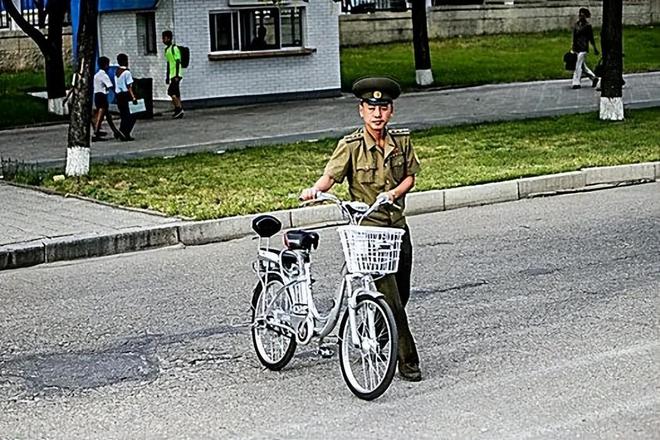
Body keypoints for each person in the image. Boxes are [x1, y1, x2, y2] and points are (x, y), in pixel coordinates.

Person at [300, 77, 423, 382]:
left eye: (383, 108)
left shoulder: (402, 142)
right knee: (393, 300)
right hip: (370, 234)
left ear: (391, 111)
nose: (377, 114)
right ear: (361, 110)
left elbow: (410, 177)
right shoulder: (351, 146)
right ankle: (407, 360)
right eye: (371, 107)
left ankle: (381, 335)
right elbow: (330, 177)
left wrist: (394, 193)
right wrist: (315, 190)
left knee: (402, 294)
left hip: (398, 229)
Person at [92, 56, 122, 141]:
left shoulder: (96, 74)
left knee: (108, 116)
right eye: (107, 65)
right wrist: (117, 93)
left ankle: (115, 131)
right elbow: (110, 86)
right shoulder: (104, 75)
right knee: (101, 116)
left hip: (97, 95)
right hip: (102, 96)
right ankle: (96, 132)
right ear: (105, 65)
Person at [571, 8, 599, 89]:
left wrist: (594, 48)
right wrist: (572, 47)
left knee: (578, 65)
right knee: (583, 66)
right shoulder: (576, 24)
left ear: (585, 16)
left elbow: (591, 38)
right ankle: (594, 78)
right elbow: (574, 37)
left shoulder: (588, 26)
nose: (580, 16)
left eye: (582, 15)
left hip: (583, 48)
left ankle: (576, 82)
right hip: (576, 47)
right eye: (580, 14)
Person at [114, 53, 138, 141]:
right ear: (125, 61)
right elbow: (129, 86)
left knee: (123, 114)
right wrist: (133, 97)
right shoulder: (127, 72)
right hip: (126, 95)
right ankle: (125, 132)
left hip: (118, 95)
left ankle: (122, 131)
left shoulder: (117, 72)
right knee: (132, 115)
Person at [162, 30, 184, 119]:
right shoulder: (166, 50)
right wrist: (167, 76)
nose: (163, 40)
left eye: (164, 38)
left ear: (169, 38)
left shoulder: (174, 48)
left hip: (176, 75)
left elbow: (178, 61)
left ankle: (179, 108)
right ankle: (177, 109)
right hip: (171, 74)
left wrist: (177, 75)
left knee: (171, 92)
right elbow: (168, 63)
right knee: (176, 93)